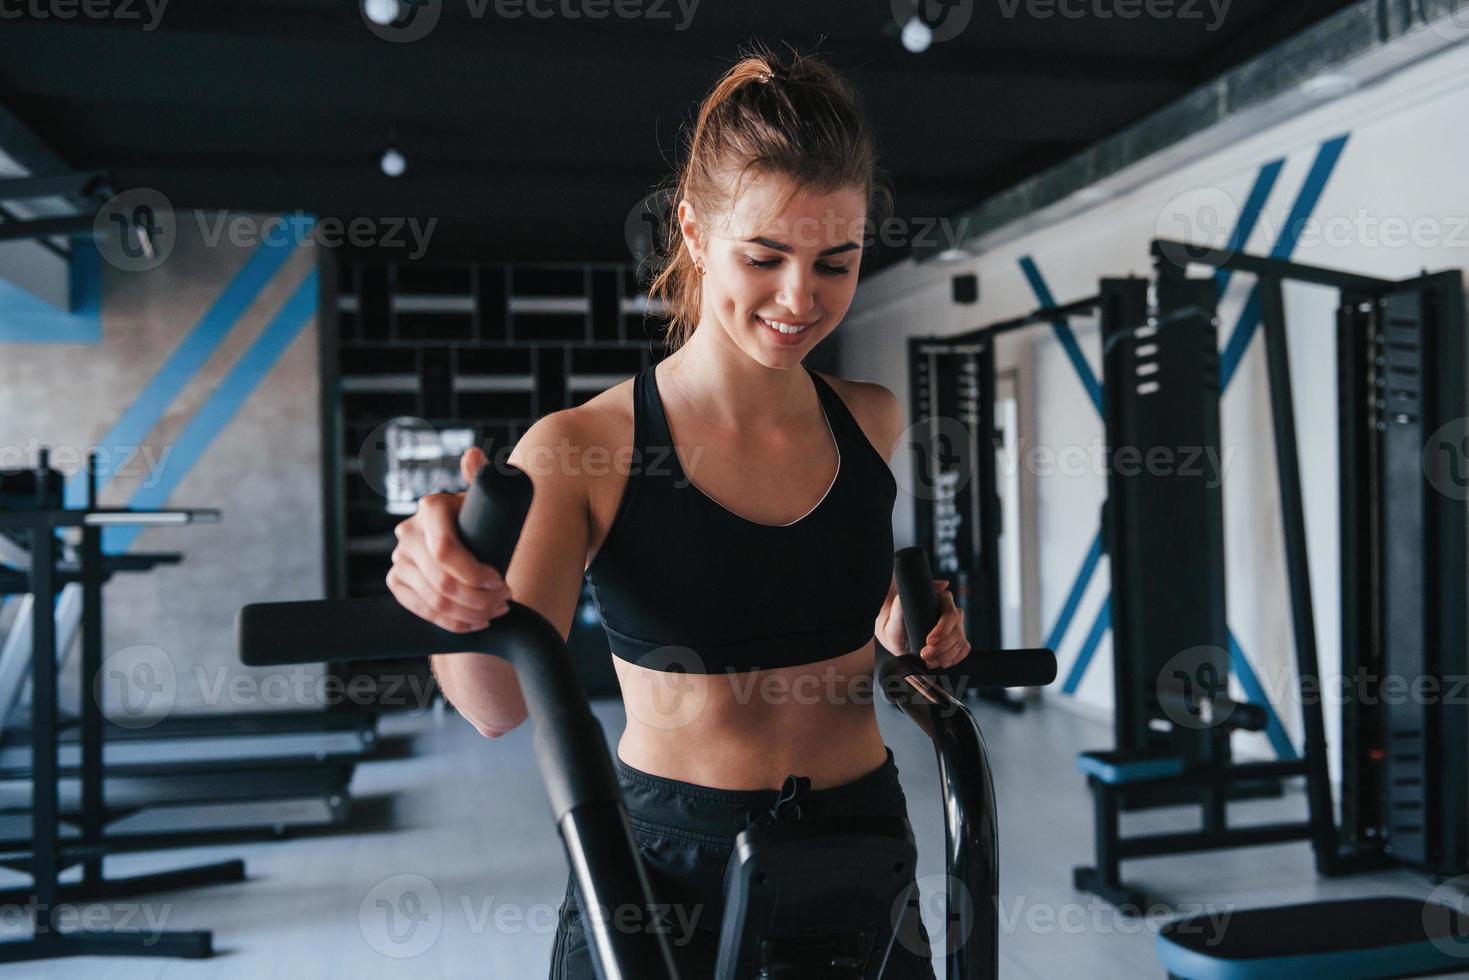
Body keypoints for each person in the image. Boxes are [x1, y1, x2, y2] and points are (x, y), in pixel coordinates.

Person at [386, 43, 971, 980]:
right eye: (764, 255)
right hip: (672, 870)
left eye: (836, 261)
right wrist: (449, 588)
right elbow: (493, 703)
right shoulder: (584, 444)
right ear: (695, 233)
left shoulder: (870, 419)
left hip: (860, 849)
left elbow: (831, 614)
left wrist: (906, 630)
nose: (798, 297)